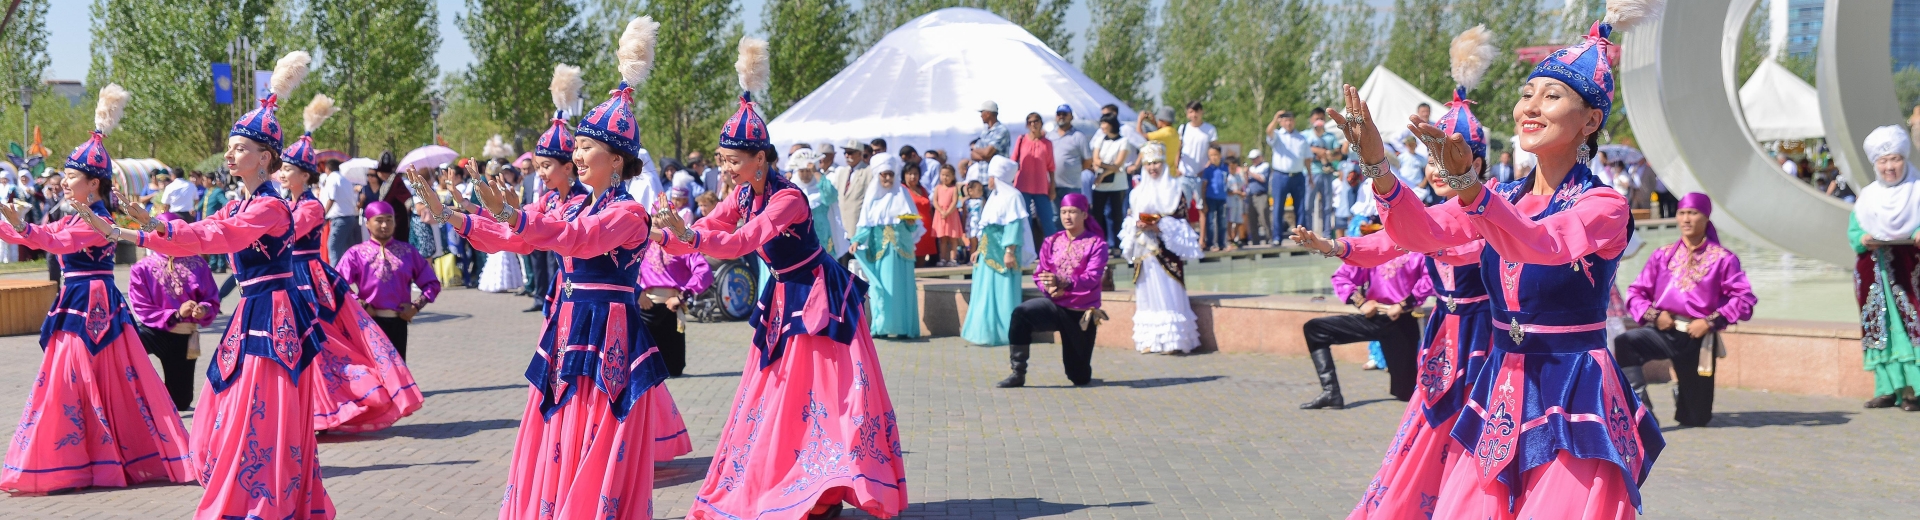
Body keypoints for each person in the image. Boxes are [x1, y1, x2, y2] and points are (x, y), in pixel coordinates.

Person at [1340, 6, 1665, 514]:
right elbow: (1420, 232)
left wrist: (1471, 191)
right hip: (1502, 385)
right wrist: (1379, 169)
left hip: (1572, 388)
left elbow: (1543, 243)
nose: (1530, 107)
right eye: (1526, 94)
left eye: (1552, 96)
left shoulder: (1603, 205)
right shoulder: (1499, 196)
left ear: (1590, 121)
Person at [422, 28, 678, 517]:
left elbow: (580, 240)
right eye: (576, 148)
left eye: (586, 148)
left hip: (610, 336)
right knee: (565, 427)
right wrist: (453, 216)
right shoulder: (578, 204)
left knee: (598, 432)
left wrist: (517, 216)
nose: (577, 157)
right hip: (571, 327)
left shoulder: (628, 215)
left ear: (617, 161)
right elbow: (520, 239)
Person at [651, 36, 907, 519]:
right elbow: (711, 228)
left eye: (733, 160)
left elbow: (743, 242)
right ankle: (799, 481)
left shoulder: (786, 199)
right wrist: (669, 235)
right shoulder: (745, 193)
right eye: (723, 160)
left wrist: (689, 235)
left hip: (818, 300)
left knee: (823, 395)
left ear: (761, 158)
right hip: (784, 297)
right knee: (781, 395)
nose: (725, 169)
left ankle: (826, 485)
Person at [80, 54, 339, 517]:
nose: (230, 153)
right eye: (231, 147)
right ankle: (247, 487)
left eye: (240, 148)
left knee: (263, 406)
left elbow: (215, 237)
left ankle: (267, 496)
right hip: (253, 311)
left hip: (275, 313)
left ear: (265, 158)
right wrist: (139, 229)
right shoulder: (239, 205)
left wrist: (143, 230)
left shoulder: (270, 208)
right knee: (233, 401)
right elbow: (200, 233)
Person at [0, 85, 196, 494]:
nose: (63, 183)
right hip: (80, 302)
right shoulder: (77, 216)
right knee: (87, 380)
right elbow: (44, 235)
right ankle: (87, 456)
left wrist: (20, 226)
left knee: (83, 380)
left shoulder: (96, 221)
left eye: (70, 177)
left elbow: (52, 242)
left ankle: (87, 459)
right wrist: (14, 224)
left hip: (93, 307)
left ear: (93, 185)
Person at [280, 96, 425, 434]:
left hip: (309, 278)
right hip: (289, 278)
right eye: (282, 168)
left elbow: (285, 233)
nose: (282, 174)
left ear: (306, 174)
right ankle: (309, 410)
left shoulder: (311, 207)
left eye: (287, 169)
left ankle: (330, 407)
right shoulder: (285, 202)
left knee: (324, 343)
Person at [1616, 193, 1756, 426]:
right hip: (1664, 330)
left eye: (1693, 213)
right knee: (1625, 342)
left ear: (1706, 217)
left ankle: (1684, 394)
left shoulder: (1723, 259)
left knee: (1695, 419)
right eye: (1682, 213)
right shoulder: (1663, 255)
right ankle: (1643, 412)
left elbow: (1744, 298)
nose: (1686, 219)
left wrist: (1710, 321)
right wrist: (1655, 315)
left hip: (1698, 338)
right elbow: (1635, 292)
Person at [997, 193, 1108, 388]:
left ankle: (1080, 369)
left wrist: (1064, 282)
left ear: (1084, 214)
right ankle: (1018, 372)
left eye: (1073, 212)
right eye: (1064, 212)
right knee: (1021, 314)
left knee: (1079, 377)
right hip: (1055, 305)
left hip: (1080, 313)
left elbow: (1092, 278)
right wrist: (1049, 287)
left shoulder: (1097, 244)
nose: (1067, 216)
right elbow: (1040, 273)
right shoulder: (1052, 240)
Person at [1851, 124, 1920, 411]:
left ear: (1905, 159)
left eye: (1895, 159)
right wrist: (1862, 238)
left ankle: (1914, 391)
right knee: (1880, 330)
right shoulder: (1868, 196)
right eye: (1883, 161)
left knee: (1911, 326)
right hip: (1875, 272)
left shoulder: (1917, 191)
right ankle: (1887, 389)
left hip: (1909, 271)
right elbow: (1854, 230)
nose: (1889, 166)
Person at [128, 212, 220, 412]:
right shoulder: (142, 268)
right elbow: (141, 307)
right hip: (153, 332)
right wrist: (176, 314)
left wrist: (203, 309)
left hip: (184, 337)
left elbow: (212, 298)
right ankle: (135, 396)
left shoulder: (198, 264)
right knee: (126, 347)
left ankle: (165, 399)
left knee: (181, 402)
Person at [1122, 143, 1204, 354]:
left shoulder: (1175, 190)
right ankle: (1150, 340)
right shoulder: (1137, 193)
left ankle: (1174, 342)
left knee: (1169, 291)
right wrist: (1136, 224)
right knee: (1147, 293)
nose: (1152, 168)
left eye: (1156, 163)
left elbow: (1183, 221)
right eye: (1148, 164)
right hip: (1144, 252)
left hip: (1165, 252)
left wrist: (1159, 226)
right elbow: (1130, 218)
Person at [337, 201, 441, 361]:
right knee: (374, 374)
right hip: (368, 323)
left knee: (398, 372)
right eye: (379, 220)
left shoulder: (407, 252)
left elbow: (431, 283)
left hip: (399, 322)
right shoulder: (356, 254)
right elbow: (337, 283)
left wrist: (415, 307)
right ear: (368, 223)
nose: (384, 225)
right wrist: (360, 304)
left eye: (389, 219)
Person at [962, 156, 1035, 347]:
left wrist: (1010, 251)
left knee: (1003, 294)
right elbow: (986, 228)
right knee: (985, 292)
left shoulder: (1013, 197)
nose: (989, 180)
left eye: (992, 176)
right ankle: (985, 331)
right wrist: (979, 249)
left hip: (1004, 255)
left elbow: (1013, 225)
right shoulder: (993, 198)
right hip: (987, 254)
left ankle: (1005, 332)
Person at [853, 155, 925, 339]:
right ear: (878, 175)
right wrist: (857, 241)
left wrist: (908, 221)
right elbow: (865, 224)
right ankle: (882, 326)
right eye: (884, 175)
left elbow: (914, 224)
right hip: (881, 250)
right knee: (883, 288)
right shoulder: (872, 196)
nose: (887, 179)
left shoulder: (902, 194)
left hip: (902, 250)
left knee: (903, 288)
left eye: (890, 175)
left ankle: (904, 328)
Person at [786, 148, 850, 257]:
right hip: (801, 240)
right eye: (802, 171)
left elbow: (831, 196)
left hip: (823, 239)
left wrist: (815, 172)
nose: (806, 174)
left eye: (808, 171)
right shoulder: (791, 191)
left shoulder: (821, 187)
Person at [1012, 112, 1059, 239]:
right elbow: (1013, 161)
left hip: (1041, 186)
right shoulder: (1021, 140)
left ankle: (1052, 250)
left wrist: (1052, 186)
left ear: (1041, 123)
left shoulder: (1047, 143)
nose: (1033, 124)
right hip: (1022, 185)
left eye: (1036, 121)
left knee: (1048, 219)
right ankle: (1028, 252)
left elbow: (1051, 166)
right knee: (1025, 220)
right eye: (1030, 122)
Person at [1089, 116, 1134, 246]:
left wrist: (1104, 173)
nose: (1102, 126)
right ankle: (1098, 242)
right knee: (1097, 214)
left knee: (1116, 215)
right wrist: (1109, 168)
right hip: (1100, 185)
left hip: (1117, 184)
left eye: (1104, 123)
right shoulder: (1099, 140)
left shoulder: (1123, 141)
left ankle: (1117, 244)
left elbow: (1119, 164)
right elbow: (1096, 160)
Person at [319, 157, 360, 263]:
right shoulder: (345, 180)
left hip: (340, 219)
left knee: (333, 248)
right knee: (348, 249)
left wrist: (323, 216)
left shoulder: (332, 179)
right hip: (351, 217)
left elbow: (331, 198)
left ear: (327, 168)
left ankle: (335, 275)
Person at [1052, 105, 1092, 203]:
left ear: (1071, 117)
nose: (1061, 116)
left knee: (1072, 214)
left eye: (1065, 114)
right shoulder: (1050, 136)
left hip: (1072, 185)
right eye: (1059, 114)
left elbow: (1088, 160)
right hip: (1053, 185)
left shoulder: (1079, 136)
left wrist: (1075, 169)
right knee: (1055, 217)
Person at [932, 164, 966, 266]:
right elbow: (935, 201)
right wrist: (941, 211)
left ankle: (953, 259)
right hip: (940, 215)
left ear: (953, 176)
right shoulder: (938, 188)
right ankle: (943, 258)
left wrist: (947, 212)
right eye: (943, 175)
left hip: (951, 216)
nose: (945, 177)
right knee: (942, 239)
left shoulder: (954, 188)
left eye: (947, 175)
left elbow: (954, 201)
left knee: (953, 238)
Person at [904, 163, 936, 264]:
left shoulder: (923, 189)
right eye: (910, 174)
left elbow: (929, 208)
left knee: (923, 258)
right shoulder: (902, 189)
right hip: (912, 228)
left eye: (915, 174)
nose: (913, 176)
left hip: (927, 229)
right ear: (904, 175)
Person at [1199, 144, 1229, 250]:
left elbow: (1227, 182)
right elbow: (1204, 186)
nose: (1214, 157)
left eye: (1216, 155)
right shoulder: (1207, 170)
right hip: (1210, 198)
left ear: (1220, 155)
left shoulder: (1225, 168)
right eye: (1211, 155)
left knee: (1222, 221)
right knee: (1211, 221)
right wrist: (1204, 201)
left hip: (1222, 198)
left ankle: (1222, 243)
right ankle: (1211, 243)